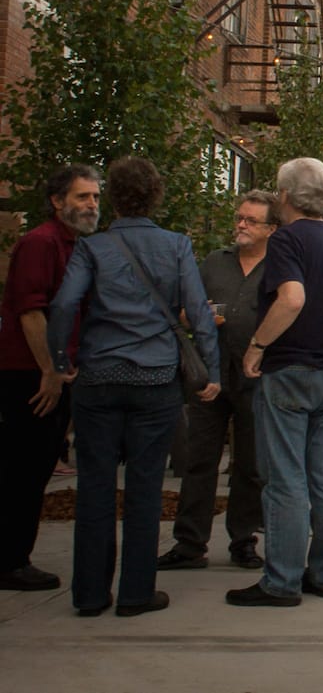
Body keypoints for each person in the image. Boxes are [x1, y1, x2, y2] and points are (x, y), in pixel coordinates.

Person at [47, 157, 220, 617]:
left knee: (96, 486)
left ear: (113, 198)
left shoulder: (93, 248)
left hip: (99, 377)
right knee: (145, 487)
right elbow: (199, 314)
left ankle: (88, 594)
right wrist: (212, 372)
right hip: (156, 378)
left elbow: (63, 304)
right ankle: (136, 592)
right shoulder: (177, 246)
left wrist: (62, 360)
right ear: (156, 195)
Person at [226, 157, 323, 608]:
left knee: (285, 477)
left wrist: (257, 346)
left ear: (284, 196)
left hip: (289, 370)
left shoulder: (286, 240)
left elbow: (291, 298)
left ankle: (281, 580)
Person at [158, 190, 277, 572]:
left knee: (250, 463)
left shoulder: (279, 268)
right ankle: (190, 543)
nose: (241, 225)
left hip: (256, 376)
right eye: (239, 217)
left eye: (251, 220)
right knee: (199, 459)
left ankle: (243, 540)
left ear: (271, 229)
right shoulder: (214, 263)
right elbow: (184, 314)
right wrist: (199, 317)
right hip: (210, 374)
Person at [0, 164, 101, 592]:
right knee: (23, 468)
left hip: (55, 373)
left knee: (36, 467)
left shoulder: (75, 246)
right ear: (57, 201)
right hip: (30, 376)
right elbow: (30, 311)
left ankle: (14, 555)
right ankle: (10, 561)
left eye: (96, 197)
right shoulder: (40, 244)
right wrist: (51, 371)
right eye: (82, 197)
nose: (92, 205)